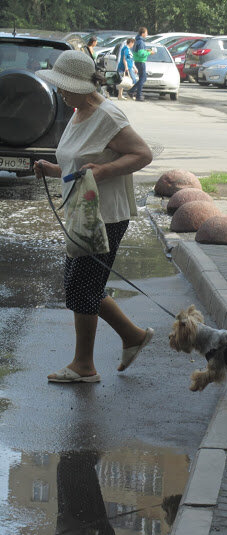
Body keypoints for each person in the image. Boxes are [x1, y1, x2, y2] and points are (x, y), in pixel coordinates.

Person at [33, 50, 154, 383]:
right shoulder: (78, 112)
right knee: (86, 285)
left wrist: (104, 171)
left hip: (105, 216)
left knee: (80, 288)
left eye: (64, 86)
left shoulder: (108, 116)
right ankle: (132, 336)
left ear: (83, 86)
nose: (59, 91)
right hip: (84, 214)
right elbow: (78, 167)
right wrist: (53, 169)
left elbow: (143, 154)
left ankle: (84, 366)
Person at [128, 27, 153, 101]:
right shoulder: (141, 42)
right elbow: (141, 53)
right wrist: (149, 52)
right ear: (143, 34)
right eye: (146, 33)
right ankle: (137, 94)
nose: (147, 34)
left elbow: (139, 51)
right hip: (141, 61)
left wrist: (146, 50)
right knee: (143, 78)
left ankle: (133, 91)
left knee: (143, 78)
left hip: (137, 61)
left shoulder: (137, 40)